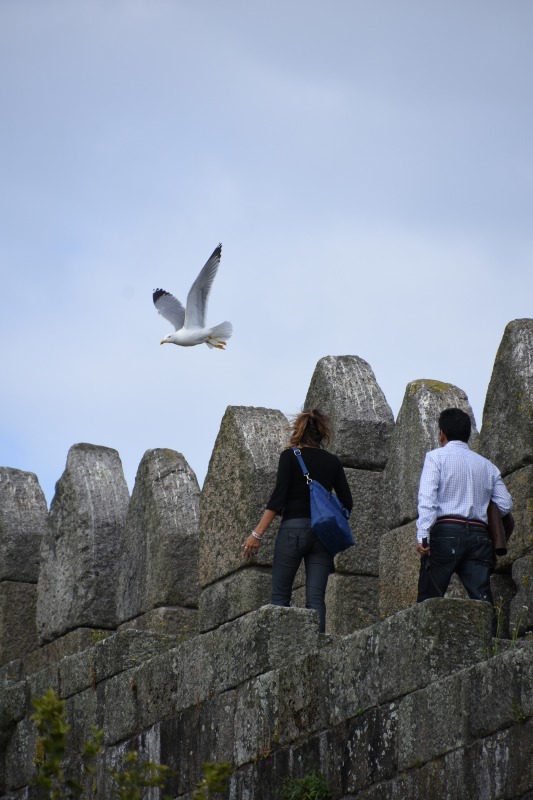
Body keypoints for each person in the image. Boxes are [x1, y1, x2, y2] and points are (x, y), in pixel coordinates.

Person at [242, 409, 353, 633]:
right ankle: (317, 651)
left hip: (293, 529)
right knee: (315, 599)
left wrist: (256, 535)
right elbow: (347, 503)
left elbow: (278, 499)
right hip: (322, 535)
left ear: (299, 431)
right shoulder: (333, 462)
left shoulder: (290, 456)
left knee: (281, 596)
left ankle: (280, 651)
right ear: (323, 434)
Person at [416, 407, 513, 628]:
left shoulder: (435, 458)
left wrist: (423, 537)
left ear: (442, 433)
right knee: (482, 599)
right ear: (468, 434)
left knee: (429, 597)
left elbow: (427, 499)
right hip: (480, 537)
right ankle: (494, 646)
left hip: (446, 532)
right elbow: (506, 505)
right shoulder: (487, 466)